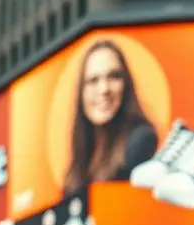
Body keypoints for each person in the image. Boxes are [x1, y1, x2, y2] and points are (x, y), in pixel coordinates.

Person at [62, 39, 158, 196]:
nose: (104, 89)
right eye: (93, 80)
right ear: (81, 93)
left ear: (126, 85)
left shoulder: (140, 141)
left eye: (114, 77)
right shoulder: (77, 169)